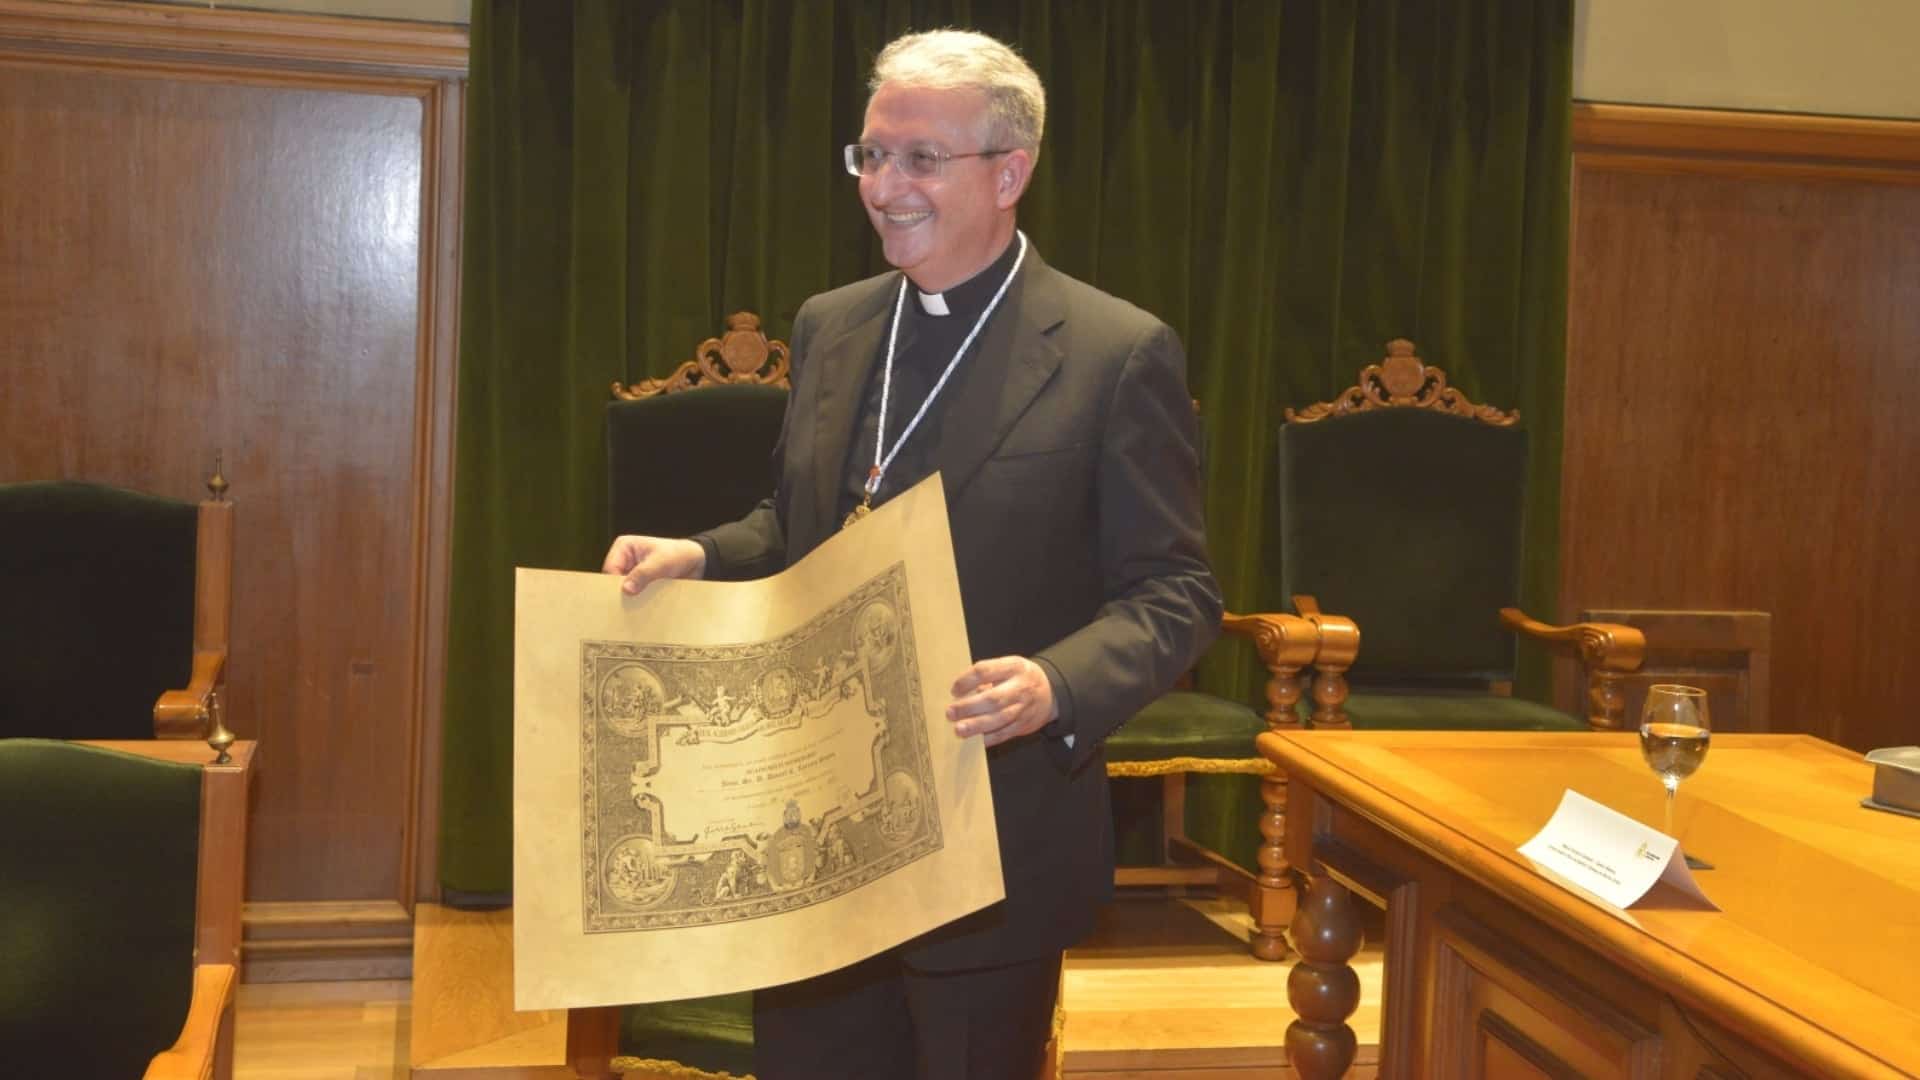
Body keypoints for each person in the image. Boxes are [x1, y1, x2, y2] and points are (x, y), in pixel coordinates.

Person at [601, 28, 1221, 1080]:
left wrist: (1055, 683)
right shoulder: (835, 326)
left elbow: (1177, 592)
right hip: (813, 830)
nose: (886, 186)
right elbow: (802, 529)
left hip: (989, 833)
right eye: (871, 156)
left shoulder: (1117, 354)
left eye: (919, 159)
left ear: (1010, 170)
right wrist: (699, 557)